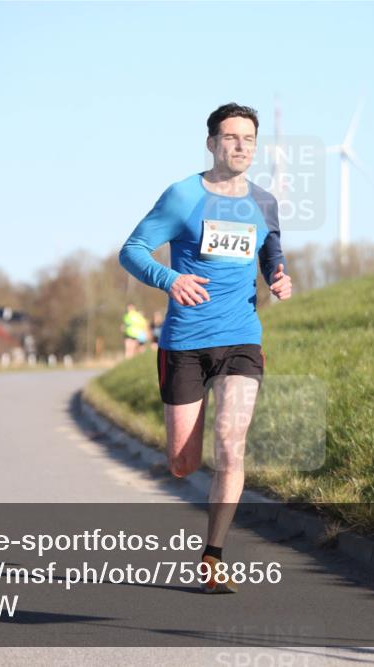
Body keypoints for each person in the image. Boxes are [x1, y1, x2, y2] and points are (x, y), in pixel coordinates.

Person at [119, 103, 292, 593]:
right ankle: (179, 460)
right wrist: (170, 279)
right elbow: (131, 251)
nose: (241, 147)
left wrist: (277, 278)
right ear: (212, 143)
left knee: (232, 445)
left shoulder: (264, 201)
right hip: (186, 343)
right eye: (231, 137)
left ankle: (213, 556)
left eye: (249, 139)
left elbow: (271, 252)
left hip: (241, 336)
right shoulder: (182, 196)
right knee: (183, 463)